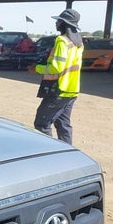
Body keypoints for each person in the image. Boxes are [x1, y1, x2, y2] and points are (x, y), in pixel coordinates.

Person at [29, 8, 84, 144]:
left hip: (59, 89)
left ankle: (47, 154)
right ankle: (68, 154)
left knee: (42, 124)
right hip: (72, 90)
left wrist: (36, 68)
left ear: (64, 23)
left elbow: (56, 67)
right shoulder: (78, 43)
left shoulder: (62, 41)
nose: (56, 23)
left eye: (58, 21)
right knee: (63, 124)